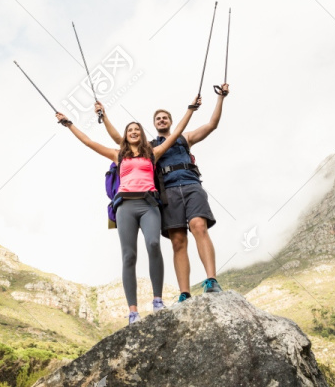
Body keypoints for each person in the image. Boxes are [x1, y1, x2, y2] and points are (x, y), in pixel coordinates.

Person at [55, 95, 201, 324]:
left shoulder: (153, 153)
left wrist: (190, 109)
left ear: (142, 134)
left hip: (149, 204)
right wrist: (69, 123)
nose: (133, 132)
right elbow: (88, 141)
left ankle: (157, 300)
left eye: (137, 129)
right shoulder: (118, 155)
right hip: (125, 206)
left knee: (154, 244)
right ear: (126, 135)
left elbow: (176, 133)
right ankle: (133, 311)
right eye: (129, 130)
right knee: (129, 256)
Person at [96, 83, 229, 302]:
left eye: (164, 117)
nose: (161, 120)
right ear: (153, 124)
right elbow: (119, 140)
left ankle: (211, 280)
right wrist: (105, 117)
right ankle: (184, 293)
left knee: (199, 226)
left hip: (190, 184)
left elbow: (212, 124)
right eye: (157, 119)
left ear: (170, 121)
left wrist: (220, 99)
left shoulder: (184, 138)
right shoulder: (147, 148)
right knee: (177, 240)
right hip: (167, 193)